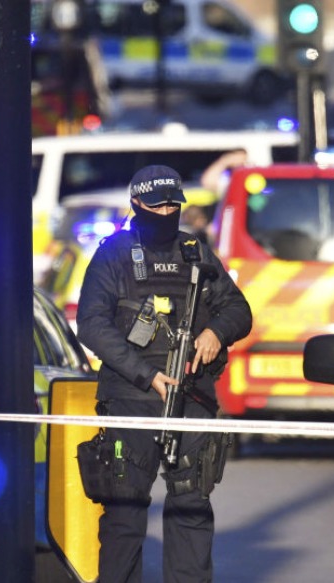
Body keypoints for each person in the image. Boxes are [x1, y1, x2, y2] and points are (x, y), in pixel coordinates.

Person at [76, 164, 252, 583]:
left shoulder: (195, 251)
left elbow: (239, 311)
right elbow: (92, 325)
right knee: (124, 516)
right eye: (157, 204)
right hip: (132, 401)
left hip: (191, 400)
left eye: (174, 203)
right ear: (136, 204)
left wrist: (215, 331)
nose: (167, 210)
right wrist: (146, 375)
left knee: (191, 507)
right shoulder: (114, 255)